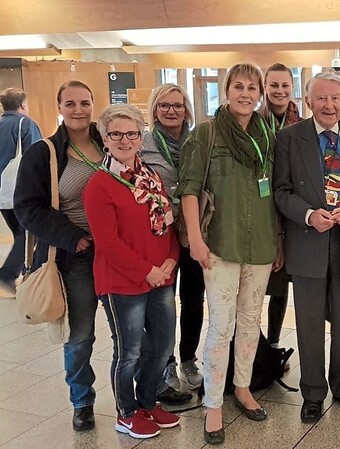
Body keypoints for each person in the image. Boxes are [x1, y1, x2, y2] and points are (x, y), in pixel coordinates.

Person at [177, 63, 280, 445]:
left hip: (261, 246)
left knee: (250, 323)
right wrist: (195, 240)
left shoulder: (266, 134)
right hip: (219, 244)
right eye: (239, 86)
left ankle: (242, 386)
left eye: (253, 88)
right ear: (227, 90)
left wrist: (278, 242)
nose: (246, 93)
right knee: (222, 326)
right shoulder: (207, 132)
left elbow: (271, 193)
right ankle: (213, 403)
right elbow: (189, 189)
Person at [273, 72, 340, 423]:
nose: (329, 105)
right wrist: (307, 215)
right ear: (309, 101)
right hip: (308, 243)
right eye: (321, 98)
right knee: (307, 323)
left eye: (335, 98)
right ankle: (313, 392)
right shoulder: (289, 138)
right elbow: (280, 191)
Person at [84, 104, 181, 439]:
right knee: (130, 351)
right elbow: (107, 243)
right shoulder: (100, 185)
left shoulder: (150, 177)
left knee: (163, 344)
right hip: (123, 282)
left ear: (142, 137)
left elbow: (167, 224)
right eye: (116, 134)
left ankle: (148, 402)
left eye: (132, 133)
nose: (125, 140)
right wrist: (146, 271)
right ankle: (126, 413)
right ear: (104, 138)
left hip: (162, 277)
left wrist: (170, 259)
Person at [14, 81, 103, 432]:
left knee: (130, 330)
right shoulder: (45, 152)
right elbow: (27, 207)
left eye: (84, 102)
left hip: (115, 254)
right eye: (71, 103)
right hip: (76, 255)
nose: (78, 109)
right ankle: (82, 400)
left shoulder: (108, 142)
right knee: (81, 333)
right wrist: (72, 238)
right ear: (60, 107)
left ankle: (137, 393)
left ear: (93, 104)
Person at [139, 84, 203, 403]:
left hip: (193, 232)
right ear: (155, 109)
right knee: (163, 304)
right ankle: (167, 363)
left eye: (177, 105)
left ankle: (189, 357)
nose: (171, 111)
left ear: (186, 109)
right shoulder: (144, 142)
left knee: (193, 298)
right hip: (159, 236)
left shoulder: (199, 139)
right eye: (164, 106)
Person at [261, 63, 302, 349]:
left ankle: (273, 345)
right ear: (265, 88)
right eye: (274, 85)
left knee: (280, 284)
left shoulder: (301, 126)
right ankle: (254, 349)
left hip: (291, 211)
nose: (279, 91)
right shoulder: (252, 121)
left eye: (285, 85)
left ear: (292, 88)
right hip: (261, 208)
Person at [0, 87, 42, 297]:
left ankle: (25, 274)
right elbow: (36, 158)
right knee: (28, 233)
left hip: (2, 194)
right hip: (19, 191)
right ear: (23, 104)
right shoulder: (25, 124)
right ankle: (8, 274)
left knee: (21, 234)